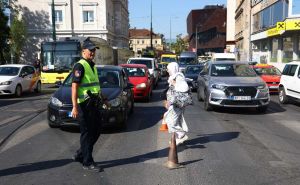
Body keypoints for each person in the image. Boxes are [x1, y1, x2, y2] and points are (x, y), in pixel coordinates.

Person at [71, 39, 103, 172]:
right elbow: (74, 87)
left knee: (96, 130)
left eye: (94, 50)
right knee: (87, 133)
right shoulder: (80, 66)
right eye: (91, 50)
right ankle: (87, 161)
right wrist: (74, 107)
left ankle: (80, 153)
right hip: (84, 105)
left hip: (94, 104)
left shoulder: (92, 65)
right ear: (83, 51)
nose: (93, 52)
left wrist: (104, 99)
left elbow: (95, 86)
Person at [164, 62, 189, 145]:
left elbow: (184, 88)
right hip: (175, 103)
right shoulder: (175, 76)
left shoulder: (178, 77)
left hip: (177, 103)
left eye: (168, 69)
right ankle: (178, 138)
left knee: (170, 121)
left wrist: (175, 85)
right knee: (175, 120)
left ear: (173, 68)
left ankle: (181, 134)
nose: (167, 71)